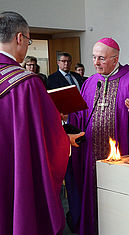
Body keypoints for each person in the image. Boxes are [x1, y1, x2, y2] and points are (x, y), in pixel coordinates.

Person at [66, 38, 129, 235]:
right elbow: (79, 116)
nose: (96, 62)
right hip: (91, 153)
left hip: (123, 152)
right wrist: (67, 115)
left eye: (101, 58)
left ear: (115, 58)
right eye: (94, 57)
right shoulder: (90, 82)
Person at [0, 11, 83, 235]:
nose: (27, 46)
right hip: (13, 170)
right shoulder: (25, 84)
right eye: (28, 41)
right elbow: (46, 137)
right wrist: (65, 141)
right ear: (19, 38)